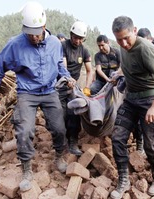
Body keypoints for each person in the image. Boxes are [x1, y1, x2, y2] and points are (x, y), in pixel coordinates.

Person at [0, 1, 74, 192]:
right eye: (29, 33)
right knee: (24, 131)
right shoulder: (15, 45)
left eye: (36, 32)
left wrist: (67, 77)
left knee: (59, 128)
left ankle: (59, 155)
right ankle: (26, 169)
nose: (33, 36)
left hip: (49, 92)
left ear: (43, 26)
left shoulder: (55, 43)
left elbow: (59, 65)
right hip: (27, 93)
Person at [110, 16, 154, 199]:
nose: (123, 43)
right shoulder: (123, 48)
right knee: (117, 138)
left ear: (134, 30)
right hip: (131, 100)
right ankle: (123, 179)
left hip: (149, 100)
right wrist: (118, 73)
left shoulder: (145, 48)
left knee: (151, 145)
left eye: (126, 38)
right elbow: (126, 65)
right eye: (119, 39)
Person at [58, 21, 93, 156]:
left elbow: (90, 70)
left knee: (75, 112)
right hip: (61, 84)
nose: (78, 41)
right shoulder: (63, 46)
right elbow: (63, 66)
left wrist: (87, 87)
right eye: (75, 37)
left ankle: (73, 141)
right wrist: (67, 79)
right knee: (60, 114)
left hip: (74, 87)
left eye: (81, 38)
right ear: (71, 35)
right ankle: (60, 143)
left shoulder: (84, 50)